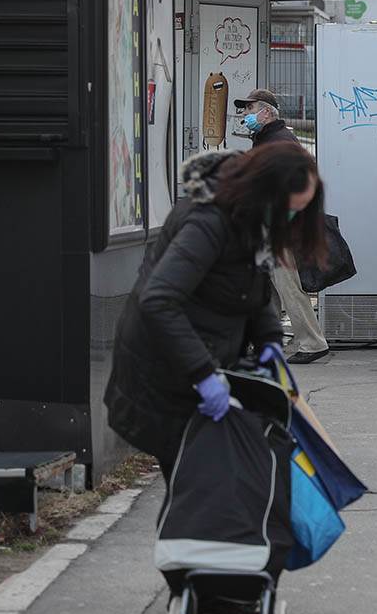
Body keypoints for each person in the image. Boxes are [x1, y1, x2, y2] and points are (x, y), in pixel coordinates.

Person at [104, 143, 326, 479]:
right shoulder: (208, 221)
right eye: (289, 210)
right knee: (201, 490)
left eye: (299, 212)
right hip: (164, 376)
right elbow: (159, 300)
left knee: (214, 490)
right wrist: (203, 375)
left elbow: (253, 287)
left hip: (200, 368)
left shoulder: (251, 218)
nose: (290, 219)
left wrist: (269, 340)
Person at [237, 88, 330, 364]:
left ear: (266, 112)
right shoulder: (268, 139)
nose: (245, 115)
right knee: (267, 287)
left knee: (287, 285)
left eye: (250, 109)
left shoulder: (279, 142)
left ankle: (312, 343)